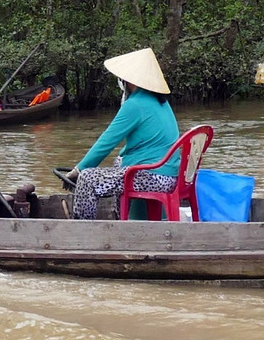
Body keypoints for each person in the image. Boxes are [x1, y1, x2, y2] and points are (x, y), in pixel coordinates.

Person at [64, 48, 181, 220]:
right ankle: (124, 218)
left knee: (87, 179)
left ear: (128, 81)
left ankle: (83, 230)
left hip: (155, 177)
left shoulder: (134, 105)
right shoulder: (160, 102)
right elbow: (141, 142)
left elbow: (106, 142)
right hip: (168, 174)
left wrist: (79, 169)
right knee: (119, 161)